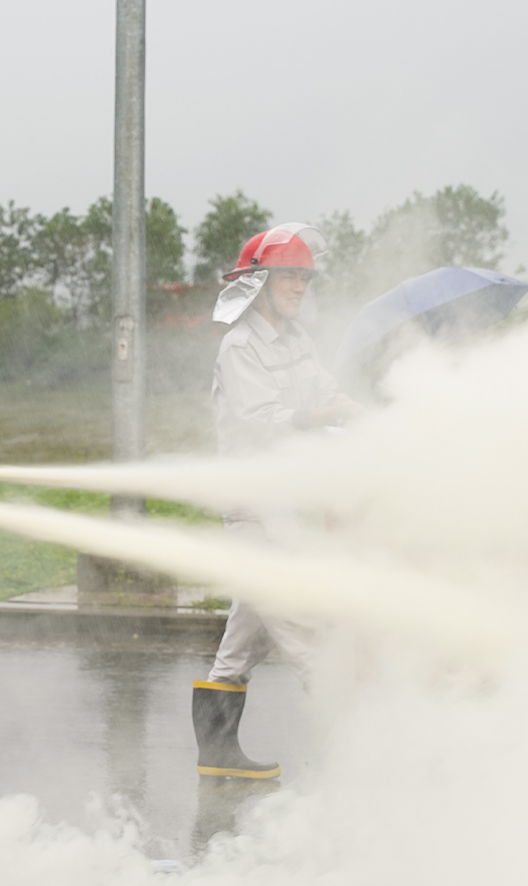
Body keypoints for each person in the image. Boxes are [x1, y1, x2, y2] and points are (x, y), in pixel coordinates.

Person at [194, 224, 361, 781]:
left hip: (285, 506)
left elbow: (319, 390)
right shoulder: (240, 347)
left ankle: (216, 755)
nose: (299, 287)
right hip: (256, 511)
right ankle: (359, 755)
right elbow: (260, 424)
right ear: (259, 282)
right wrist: (321, 417)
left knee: (243, 640)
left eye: (304, 278)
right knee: (307, 628)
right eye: (290, 275)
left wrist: (344, 403)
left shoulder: (295, 340)